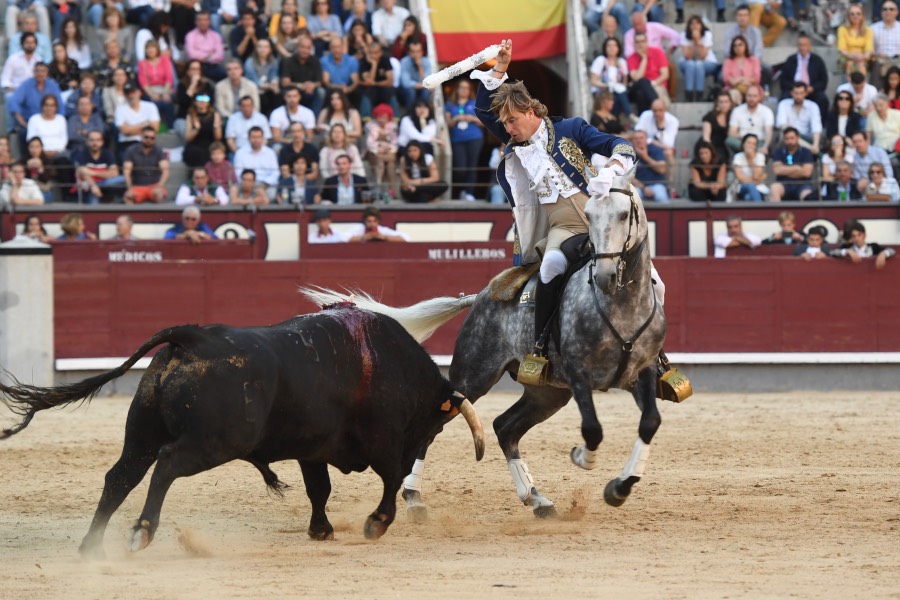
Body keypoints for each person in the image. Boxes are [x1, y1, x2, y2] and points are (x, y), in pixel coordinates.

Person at [474, 39, 636, 365]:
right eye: (504, 124)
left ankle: (657, 358)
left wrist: (613, 169)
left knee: (654, 282)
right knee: (549, 267)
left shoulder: (569, 128)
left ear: (530, 112)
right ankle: (540, 349)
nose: (507, 129)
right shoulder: (516, 143)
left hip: (599, 220)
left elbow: (618, 143)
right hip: (562, 227)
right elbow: (481, 110)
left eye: (512, 122)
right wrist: (500, 69)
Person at [446, 78, 483, 201]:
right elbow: (447, 123)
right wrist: (456, 118)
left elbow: (484, 122)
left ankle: (469, 193)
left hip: (474, 137)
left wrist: (471, 118)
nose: (464, 90)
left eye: (466, 88)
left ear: (469, 90)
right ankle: (461, 190)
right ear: (457, 89)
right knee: (460, 168)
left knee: (472, 166)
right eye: (461, 87)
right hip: (457, 139)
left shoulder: (475, 103)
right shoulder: (450, 104)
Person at [776, 33, 829, 118]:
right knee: (784, 99)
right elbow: (783, 80)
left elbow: (823, 80)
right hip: (793, 90)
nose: (802, 47)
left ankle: (821, 125)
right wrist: (794, 89)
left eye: (805, 45)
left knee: (823, 99)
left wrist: (813, 88)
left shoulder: (817, 60)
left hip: (811, 90)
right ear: (797, 46)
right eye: (800, 45)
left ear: (810, 46)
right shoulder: (791, 60)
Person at [72, 129, 123, 204]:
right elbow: (82, 172)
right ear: (87, 142)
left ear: (102, 142)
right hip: (88, 186)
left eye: (98, 140)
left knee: (123, 179)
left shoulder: (107, 154)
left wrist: (92, 173)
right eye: (91, 140)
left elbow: (115, 173)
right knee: (93, 195)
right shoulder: (81, 154)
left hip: (105, 183)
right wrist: (93, 185)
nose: (95, 143)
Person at [279, 35, 325, 116]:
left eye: (308, 48)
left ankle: (313, 119)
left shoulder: (315, 60)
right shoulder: (289, 61)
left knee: (321, 92)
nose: (305, 50)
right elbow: (284, 82)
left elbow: (319, 81)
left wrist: (312, 85)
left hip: (309, 91)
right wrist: (300, 86)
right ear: (297, 47)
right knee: (288, 93)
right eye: (302, 47)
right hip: (293, 90)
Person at [626, 31, 670, 113]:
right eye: (637, 42)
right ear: (634, 44)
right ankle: (656, 105)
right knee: (642, 81)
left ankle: (643, 120)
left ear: (647, 42)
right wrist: (644, 58)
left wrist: (652, 84)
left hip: (656, 85)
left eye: (642, 41)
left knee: (640, 94)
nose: (640, 44)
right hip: (636, 87)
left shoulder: (658, 52)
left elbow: (665, 75)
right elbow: (637, 78)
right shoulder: (631, 58)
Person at [123, 125, 168, 203]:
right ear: (141, 136)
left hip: (154, 186)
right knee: (128, 197)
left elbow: (166, 171)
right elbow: (127, 172)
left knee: (160, 195)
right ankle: (130, 215)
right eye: (146, 137)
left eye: (152, 138)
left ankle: (159, 215)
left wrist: (159, 186)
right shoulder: (131, 150)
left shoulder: (159, 151)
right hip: (137, 186)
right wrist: (129, 189)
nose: (149, 140)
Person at [589, 37, 632, 119]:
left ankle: (617, 119)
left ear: (618, 48)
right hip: (602, 90)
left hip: (617, 90)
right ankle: (628, 115)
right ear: (605, 48)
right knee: (615, 97)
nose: (612, 48)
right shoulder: (600, 60)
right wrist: (606, 86)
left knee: (619, 94)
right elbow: (593, 81)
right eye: (609, 46)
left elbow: (624, 82)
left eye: (614, 46)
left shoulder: (622, 62)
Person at [137, 39, 175, 128]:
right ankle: (154, 128)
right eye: (148, 48)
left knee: (167, 102)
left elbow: (169, 79)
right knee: (155, 103)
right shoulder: (142, 63)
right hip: (150, 90)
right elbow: (143, 82)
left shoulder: (164, 60)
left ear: (157, 49)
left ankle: (171, 128)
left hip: (165, 88)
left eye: (152, 47)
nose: (150, 50)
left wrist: (165, 93)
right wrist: (152, 94)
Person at [115, 82, 160, 158]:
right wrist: (145, 125)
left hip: (147, 143)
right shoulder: (120, 109)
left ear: (139, 92)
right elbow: (124, 131)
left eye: (133, 92)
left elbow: (155, 128)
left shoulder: (150, 106)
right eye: (128, 93)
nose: (131, 95)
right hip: (127, 143)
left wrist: (130, 128)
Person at [233, 126, 279, 199]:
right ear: (248, 138)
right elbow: (238, 173)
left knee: (272, 194)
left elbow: (275, 173)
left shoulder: (270, 153)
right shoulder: (240, 153)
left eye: (258, 137)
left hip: (266, 185)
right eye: (253, 137)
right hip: (246, 185)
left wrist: (264, 184)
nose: (256, 140)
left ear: (262, 138)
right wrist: (250, 184)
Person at [727, 85, 774, 155]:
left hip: (759, 142)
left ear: (759, 97)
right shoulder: (737, 110)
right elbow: (731, 133)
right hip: (741, 141)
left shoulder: (767, 111)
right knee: (729, 140)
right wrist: (747, 142)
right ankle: (748, 150)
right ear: (745, 96)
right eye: (749, 96)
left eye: (754, 96)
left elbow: (768, 132)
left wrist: (765, 146)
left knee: (763, 147)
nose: (751, 98)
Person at [678, 15, 716, 102]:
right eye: (692, 24)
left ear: (701, 25)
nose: (695, 26)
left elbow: (702, 56)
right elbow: (688, 56)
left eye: (697, 23)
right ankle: (689, 95)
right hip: (688, 63)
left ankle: (699, 95)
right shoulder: (684, 35)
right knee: (691, 64)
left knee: (698, 65)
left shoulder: (707, 34)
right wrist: (695, 41)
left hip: (707, 62)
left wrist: (697, 40)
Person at [775, 83, 822, 154]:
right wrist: (809, 147)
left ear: (806, 93)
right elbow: (782, 125)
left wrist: (815, 145)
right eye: (796, 93)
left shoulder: (813, 106)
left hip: (807, 138)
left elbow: (816, 127)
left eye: (801, 93)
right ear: (791, 93)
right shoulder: (783, 104)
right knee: (785, 135)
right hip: (790, 137)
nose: (798, 96)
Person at [364, 103, 399, 199]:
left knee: (391, 164)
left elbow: (395, 142)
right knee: (380, 161)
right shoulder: (371, 126)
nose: (382, 119)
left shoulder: (393, 126)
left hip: (388, 153)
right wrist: (379, 147)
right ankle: (378, 185)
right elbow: (369, 143)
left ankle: (392, 189)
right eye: (380, 117)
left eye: (384, 117)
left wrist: (387, 148)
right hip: (375, 153)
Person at [829, 221, 896, 268]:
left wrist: (883, 254)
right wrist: (847, 251)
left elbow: (892, 251)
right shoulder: (847, 247)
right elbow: (832, 252)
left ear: (865, 235)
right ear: (851, 238)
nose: (857, 238)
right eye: (854, 236)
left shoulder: (873, 247)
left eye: (859, 235)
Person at [183, 93, 223, 168]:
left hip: (210, 144)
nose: (202, 101)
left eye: (205, 99)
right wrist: (196, 129)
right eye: (199, 99)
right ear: (195, 102)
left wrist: (216, 125)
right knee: (196, 152)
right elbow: (188, 138)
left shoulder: (215, 115)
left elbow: (218, 138)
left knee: (212, 152)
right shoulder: (191, 116)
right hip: (195, 144)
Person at [357, 41, 395, 117]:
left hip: (382, 88)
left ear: (381, 52)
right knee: (366, 93)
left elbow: (390, 81)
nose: (373, 55)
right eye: (371, 53)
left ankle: (395, 118)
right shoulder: (363, 61)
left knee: (391, 92)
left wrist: (375, 83)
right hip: (369, 89)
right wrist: (374, 65)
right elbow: (369, 82)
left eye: (376, 53)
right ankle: (366, 119)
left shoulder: (385, 60)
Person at [184, 11, 226, 81]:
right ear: (196, 22)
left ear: (209, 21)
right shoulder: (190, 36)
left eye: (205, 20)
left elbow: (220, 55)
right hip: (197, 66)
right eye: (200, 20)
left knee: (225, 76)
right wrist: (209, 55)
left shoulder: (216, 36)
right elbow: (192, 54)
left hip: (213, 65)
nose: (202, 22)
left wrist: (208, 59)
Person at [721, 35, 761, 106]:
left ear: (745, 46)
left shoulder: (753, 60)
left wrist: (740, 79)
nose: (737, 47)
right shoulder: (729, 61)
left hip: (751, 87)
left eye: (740, 45)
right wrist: (740, 80)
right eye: (735, 46)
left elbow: (757, 78)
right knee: (734, 93)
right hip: (733, 88)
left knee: (752, 93)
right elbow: (726, 77)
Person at [244, 38, 280, 116]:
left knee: (278, 95)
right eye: (259, 47)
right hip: (253, 89)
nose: (262, 49)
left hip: (268, 88)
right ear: (256, 49)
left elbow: (274, 76)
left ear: (270, 49)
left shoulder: (273, 61)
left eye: (265, 47)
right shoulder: (249, 62)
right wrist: (270, 86)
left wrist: (274, 84)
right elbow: (255, 81)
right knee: (264, 99)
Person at [635, 98, 678, 164]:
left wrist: (661, 128)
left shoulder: (673, 121)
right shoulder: (646, 115)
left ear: (665, 110)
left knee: (668, 153)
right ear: (651, 110)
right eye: (655, 111)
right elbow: (637, 135)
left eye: (660, 110)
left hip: (661, 149)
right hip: (646, 146)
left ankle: (670, 175)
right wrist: (652, 141)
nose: (657, 113)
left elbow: (668, 145)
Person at [631, 129, 669, 203]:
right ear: (632, 141)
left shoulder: (655, 150)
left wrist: (644, 156)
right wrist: (644, 188)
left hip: (657, 184)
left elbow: (662, 169)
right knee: (633, 198)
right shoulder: (629, 154)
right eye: (636, 139)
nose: (639, 141)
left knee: (662, 197)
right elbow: (629, 177)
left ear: (646, 139)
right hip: (638, 186)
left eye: (641, 138)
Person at [837, 5, 873, 77]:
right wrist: (852, 56)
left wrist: (862, 57)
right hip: (846, 57)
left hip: (862, 57)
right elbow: (842, 49)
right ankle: (851, 87)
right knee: (850, 63)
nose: (855, 16)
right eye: (852, 14)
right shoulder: (842, 29)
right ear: (848, 16)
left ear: (862, 16)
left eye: (858, 13)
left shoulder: (868, 30)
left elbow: (869, 49)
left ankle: (861, 86)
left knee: (861, 64)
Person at [320, 36, 360, 102]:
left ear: (342, 47)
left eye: (338, 47)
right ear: (330, 48)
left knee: (359, 92)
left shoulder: (352, 60)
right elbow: (326, 81)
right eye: (333, 47)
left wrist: (348, 89)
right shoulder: (324, 60)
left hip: (348, 89)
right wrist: (338, 87)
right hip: (332, 89)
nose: (336, 50)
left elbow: (355, 81)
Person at [731, 133, 768, 202]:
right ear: (743, 144)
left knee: (748, 197)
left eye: (754, 144)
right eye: (749, 143)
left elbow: (756, 175)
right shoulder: (738, 156)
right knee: (750, 186)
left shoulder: (760, 156)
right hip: (742, 187)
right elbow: (740, 178)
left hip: (759, 188)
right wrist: (756, 180)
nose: (751, 146)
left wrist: (750, 159)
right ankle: (759, 210)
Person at [398, 40, 432, 111]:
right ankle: (410, 114)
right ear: (409, 53)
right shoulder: (404, 62)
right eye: (413, 52)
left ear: (422, 52)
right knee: (411, 91)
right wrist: (424, 85)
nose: (416, 54)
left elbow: (427, 81)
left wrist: (420, 66)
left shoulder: (426, 62)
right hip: (406, 91)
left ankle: (424, 113)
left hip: (421, 88)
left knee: (426, 91)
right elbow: (406, 83)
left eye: (418, 51)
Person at [701, 91, 734, 162]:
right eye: (721, 102)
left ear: (730, 103)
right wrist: (709, 150)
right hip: (710, 144)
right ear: (717, 103)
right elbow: (706, 137)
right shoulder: (710, 116)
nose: (723, 105)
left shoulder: (734, 116)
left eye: (726, 102)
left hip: (724, 146)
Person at [872, 0, 900, 82]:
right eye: (885, 9)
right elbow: (869, 49)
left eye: (891, 9)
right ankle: (877, 93)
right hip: (880, 61)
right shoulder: (873, 28)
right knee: (876, 66)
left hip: (898, 60)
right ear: (881, 12)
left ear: (897, 12)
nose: (888, 11)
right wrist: (877, 55)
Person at [24, 137, 57, 203]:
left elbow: (46, 180)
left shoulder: (47, 162)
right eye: (32, 147)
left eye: (37, 147)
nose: (34, 150)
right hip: (27, 189)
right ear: (28, 148)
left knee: (47, 195)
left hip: (42, 189)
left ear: (41, 148)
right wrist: (27, 167)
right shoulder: (23, 161)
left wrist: (40, 169)